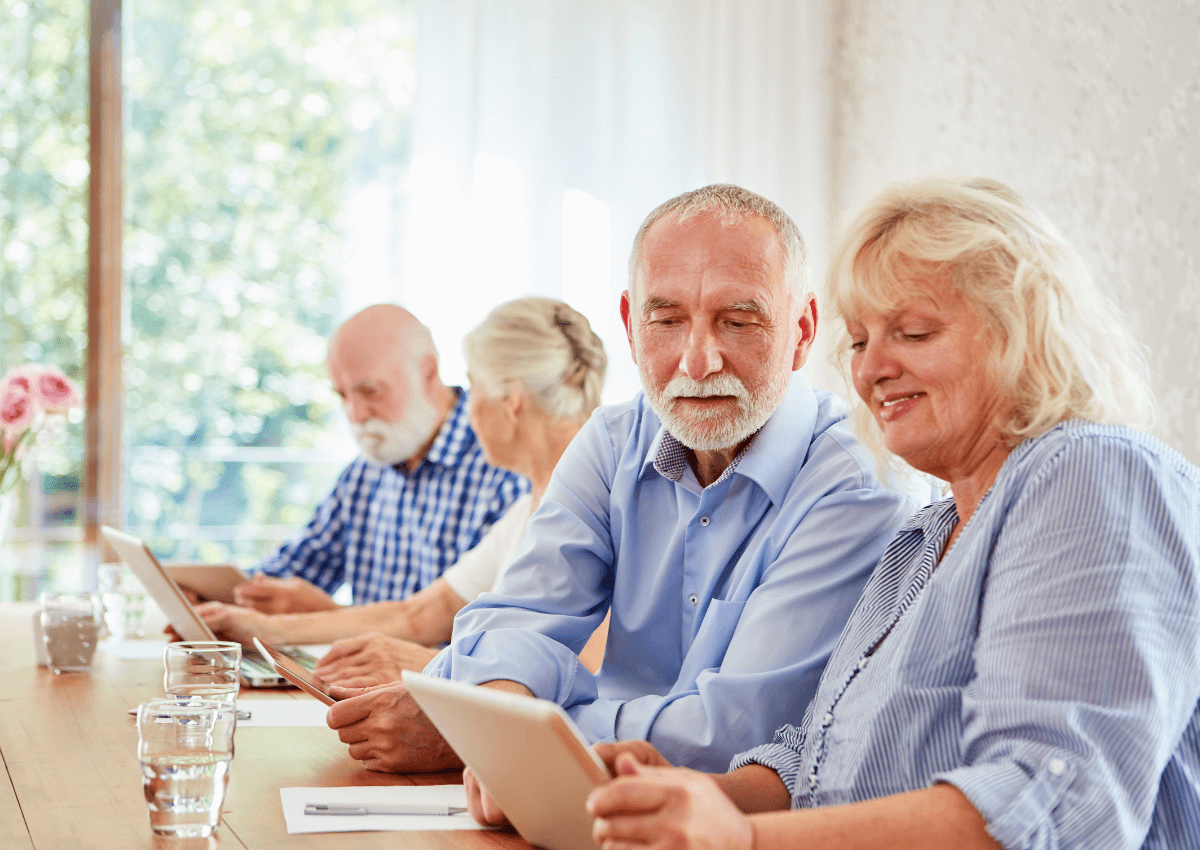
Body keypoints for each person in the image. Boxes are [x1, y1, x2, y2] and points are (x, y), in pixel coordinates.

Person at [575, 176, 1200, 850]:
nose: (872, 369)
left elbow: (1049, 804)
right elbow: (813, 760)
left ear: (1020, 331)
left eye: (913, 331)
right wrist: (676, 796)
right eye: (861, 341)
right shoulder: (922, 538)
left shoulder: (1093, 475)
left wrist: (741, 840)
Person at [325, 184, 917, 773]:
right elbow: (518, 620)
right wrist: (501, 724)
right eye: (666, 319)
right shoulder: (613, 441)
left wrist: (492, 734)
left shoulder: (855, 486)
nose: (697, 360)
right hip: (590, 805)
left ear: (803, 331)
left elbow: (732, 734)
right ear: (631, 326)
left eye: (738, 322)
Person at [196, 297, 610, 684]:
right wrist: (267, 629)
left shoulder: (586, 509)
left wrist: (427, 666)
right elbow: (424, 613)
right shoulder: (528, 508)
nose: (467, 405)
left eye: (474, 387)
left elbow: (586, 677)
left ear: (512, 400)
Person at [235, 304, 528, 615]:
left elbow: (484, 641)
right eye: (343, 396)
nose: (356, 415)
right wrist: (216, 596)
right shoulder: (364, 474)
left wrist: (330, 617)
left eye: (370, 391)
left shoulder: (504, 469)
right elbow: (294, 568)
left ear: (428, 372)